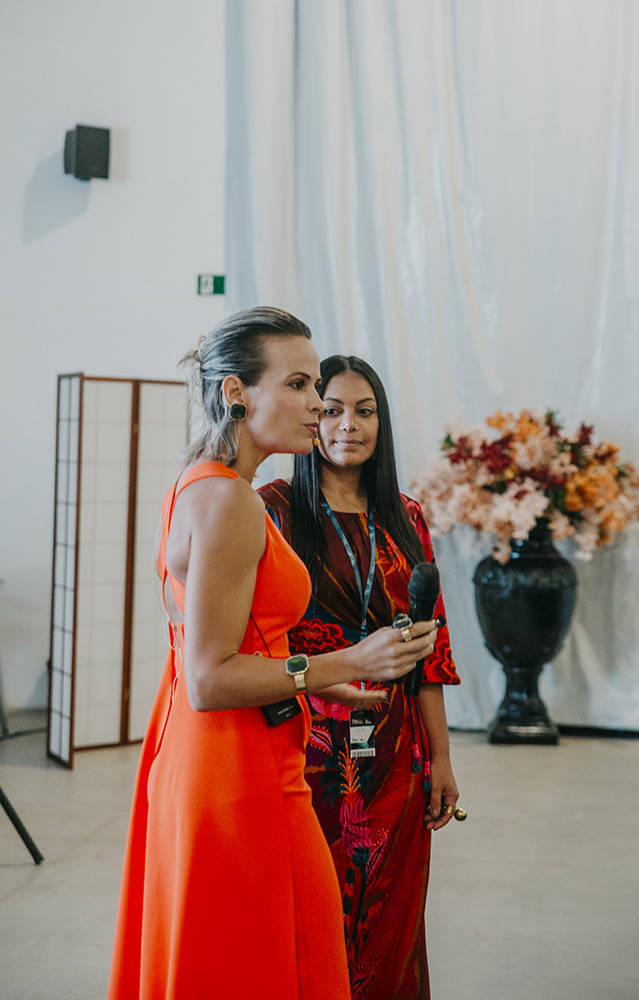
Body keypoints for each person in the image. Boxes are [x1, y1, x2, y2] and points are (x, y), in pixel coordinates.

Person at [107, 311, 437, 1000]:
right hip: (237, 767)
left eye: (315, 384)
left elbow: (233, 645)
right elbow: (208, 678)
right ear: (236, 392)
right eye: (298, 384)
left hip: (216, 751)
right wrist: (348, 663)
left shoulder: (195, 483)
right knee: (276, 962)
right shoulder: (232, 500)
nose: (318, 403)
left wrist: (316, 684)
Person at [259, 354, 461, 1000]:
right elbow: (255, 640)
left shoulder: (406, 515)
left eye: (365, 411)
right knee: (312, 911)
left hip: (397, 749)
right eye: (333, 409)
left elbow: (430, 650)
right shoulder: (274, 510)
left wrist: (442, 759)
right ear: (311, 417)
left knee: (392, 915)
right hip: (307, 743)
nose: (349, 425)